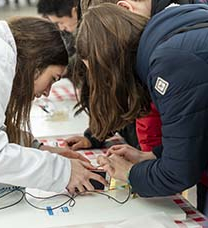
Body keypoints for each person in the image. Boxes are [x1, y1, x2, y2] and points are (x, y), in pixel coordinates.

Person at [74, 3, 208, 213]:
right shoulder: (169, 34)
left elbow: (178, 174)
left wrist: (130, 173)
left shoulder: (169, 62)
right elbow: (196, 129)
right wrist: (154, 156)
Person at [0, 17, 107, 194]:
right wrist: (63, 171)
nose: (47, 92)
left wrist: (39, 150)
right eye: (53, 79)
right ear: (36, 65)